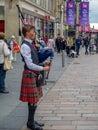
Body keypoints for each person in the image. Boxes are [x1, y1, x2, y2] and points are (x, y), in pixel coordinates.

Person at [20, 24, 50, 130]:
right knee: (32, 100)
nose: (35, 33)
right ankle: (31, 123)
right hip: (30, 73)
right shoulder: (24, 46)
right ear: (27, 33)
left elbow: (35, 58)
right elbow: (29, 64)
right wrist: (43, 69)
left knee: (34, 100)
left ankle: (31, 121)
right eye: (33, 31)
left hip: (34, 74)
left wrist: (43, 61)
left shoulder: (31, 44)